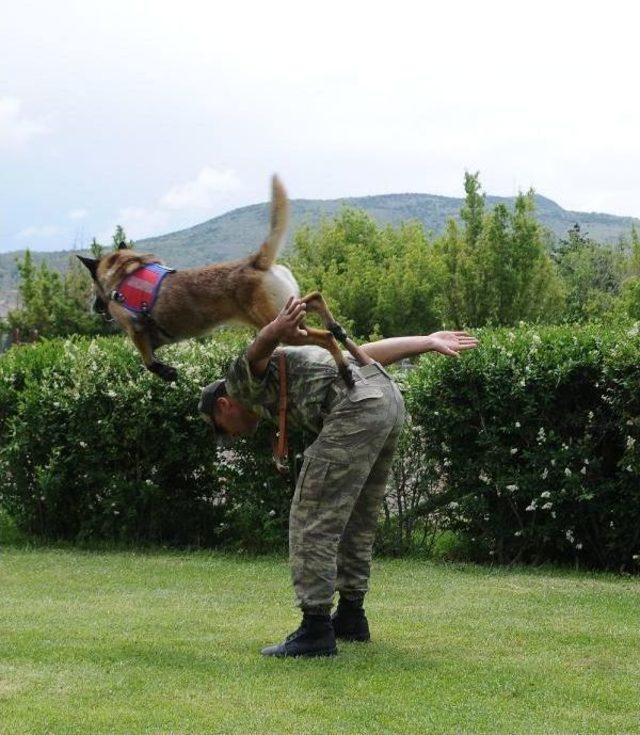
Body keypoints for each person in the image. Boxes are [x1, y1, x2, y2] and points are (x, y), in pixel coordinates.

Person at [198, 297, 478, 657]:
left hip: (357, 408)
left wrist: (274, 329)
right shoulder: (288, 374)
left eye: (224, 429)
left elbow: (256, 351)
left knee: (311, 518)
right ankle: (350, 616)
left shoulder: (239, 385)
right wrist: (425, 340)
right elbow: (368, 353)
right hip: (385, 399)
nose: (232, 436)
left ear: (223, 406)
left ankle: (315, 629)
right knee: (357, 519)